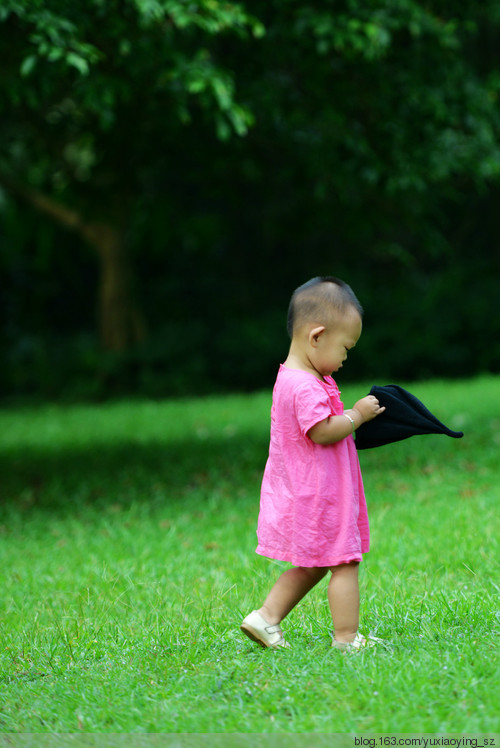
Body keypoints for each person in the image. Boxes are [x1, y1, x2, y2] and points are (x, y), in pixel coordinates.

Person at [240, 276, 385, 651]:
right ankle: (346, 639)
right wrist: (357, 415)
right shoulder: (305, 386)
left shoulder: (293, 378)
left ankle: (266, 617)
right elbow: (322, 431)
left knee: (313, 563)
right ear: (316, 336)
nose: (345, 358)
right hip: (320, 493)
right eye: (345, 348)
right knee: (345, 561)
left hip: (305, 490)